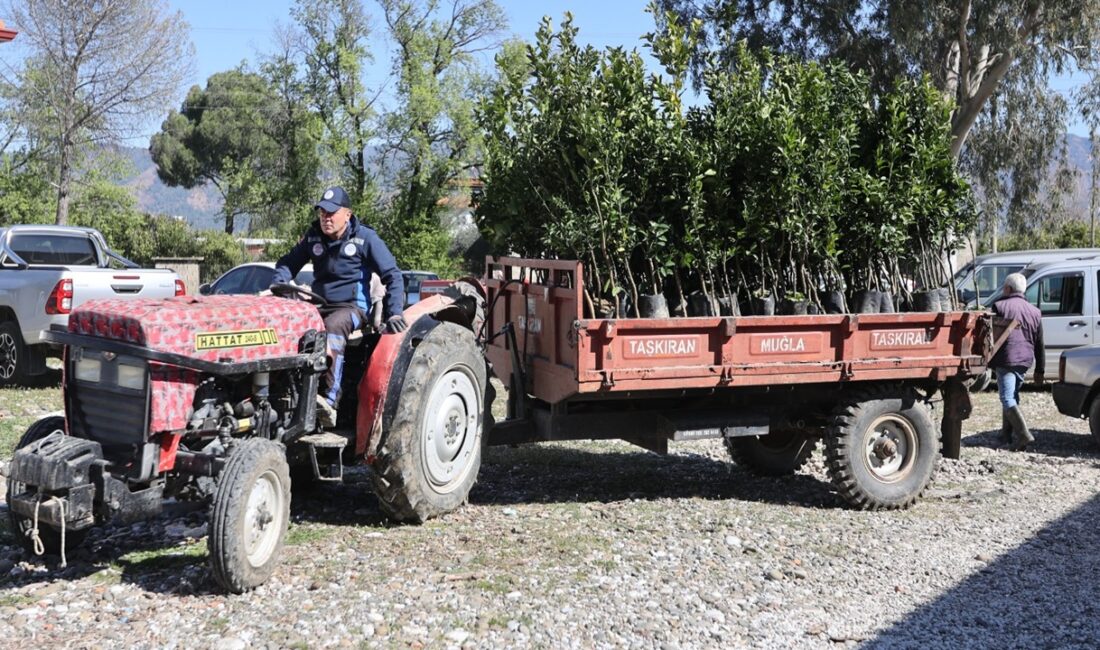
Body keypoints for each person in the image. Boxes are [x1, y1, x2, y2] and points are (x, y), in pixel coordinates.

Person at [272, 186, 407, 428]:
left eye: (332, 213)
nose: (326, 218)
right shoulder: (313, 237)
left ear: (347, 214)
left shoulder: (366, 238)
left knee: (333, 326)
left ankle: (329, 401)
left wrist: (394, 312)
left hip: (353, 309)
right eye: (322, 212)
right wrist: (279, 281)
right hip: (319, 305)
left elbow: (393, 275)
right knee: (290, 325)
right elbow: (287, 263)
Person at [989, 272, 1044, 451]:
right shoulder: (1035, 311)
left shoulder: (999, 306)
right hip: (1025, 360)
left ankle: (1023, 435)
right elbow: (1040, 342)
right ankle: (1005, 436)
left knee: (1006, 398)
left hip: (1006, 359)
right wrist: (1040, 369)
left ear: (1008, 288)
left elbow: (990, 335)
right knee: (1012, 396)